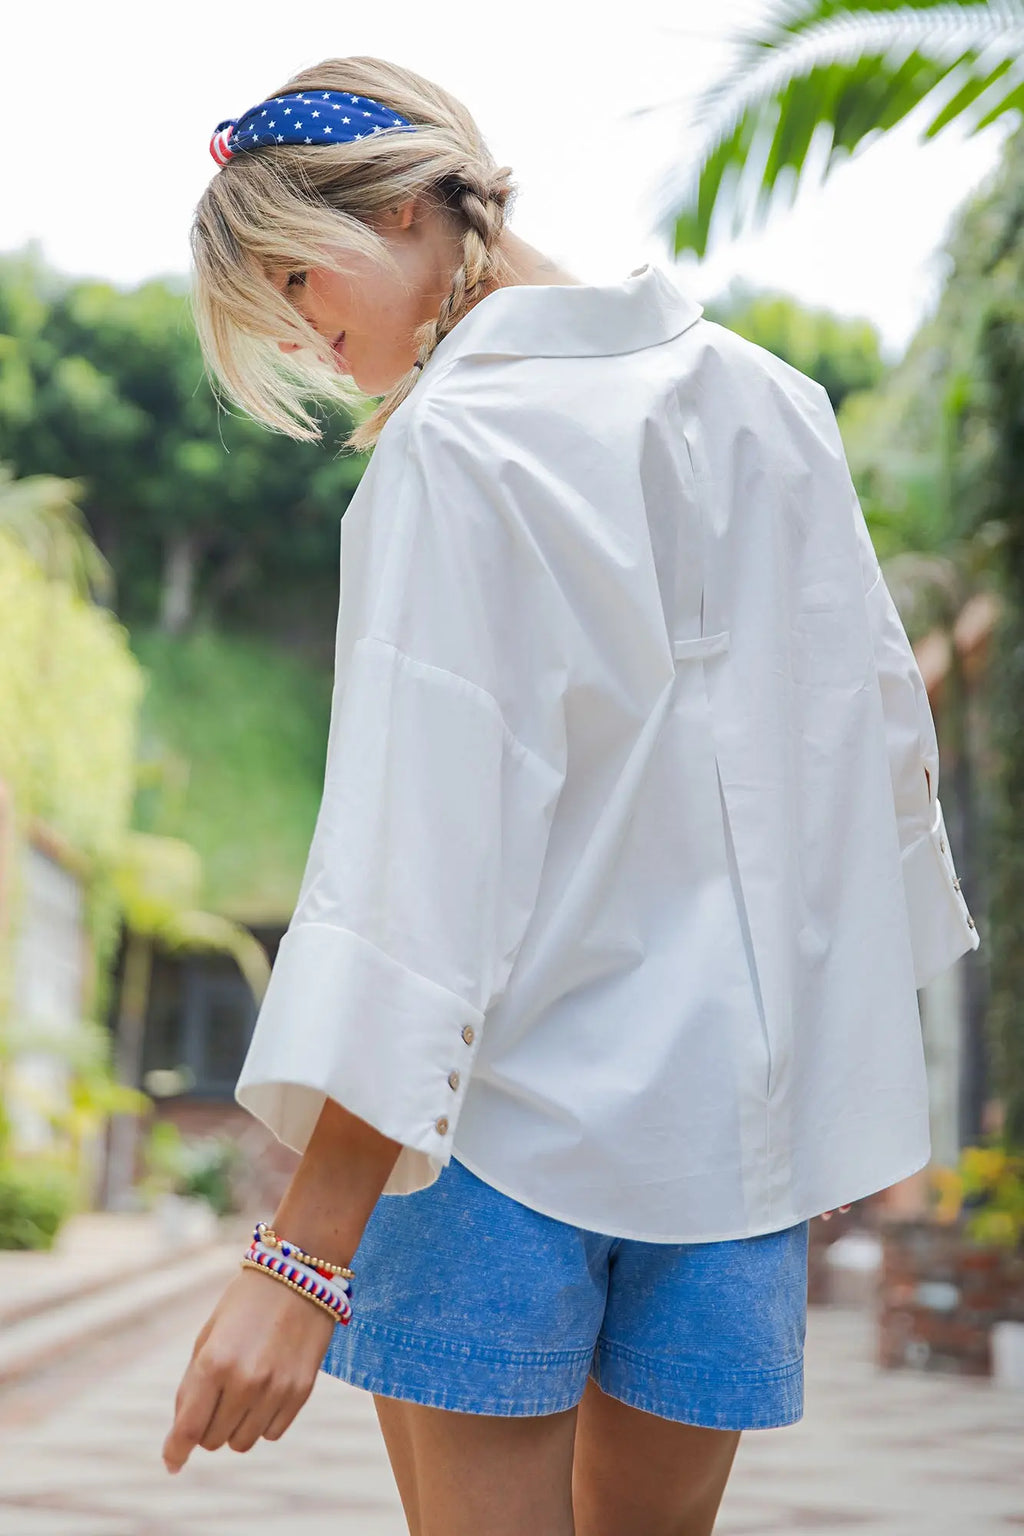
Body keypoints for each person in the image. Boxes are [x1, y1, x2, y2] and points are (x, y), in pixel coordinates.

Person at [164, 54, 981, 1536]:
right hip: (729, 1148)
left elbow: (420, 874)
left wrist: (297, 1262)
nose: (307, 337)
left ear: (409, 206)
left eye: (295, 280)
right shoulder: (775, 406)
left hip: (489, 1147)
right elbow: (871, 770)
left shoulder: (453, 451)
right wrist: (829, 1090)